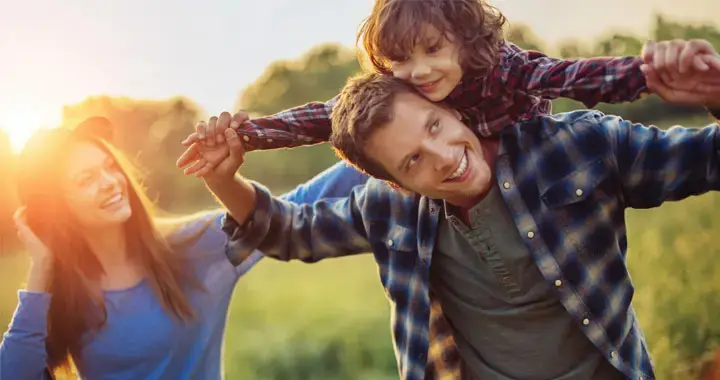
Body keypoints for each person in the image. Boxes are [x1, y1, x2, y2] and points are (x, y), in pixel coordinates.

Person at [178, 43, 720, 379]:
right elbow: (291, 232)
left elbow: (706, 159)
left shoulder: (575, 148)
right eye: (413, 160)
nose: (445, 158)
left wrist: (712, 91)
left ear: (452, 107)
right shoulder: (389, 208)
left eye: (436, 126)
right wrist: (223, 179)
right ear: (393, 180)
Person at [0, 117, 369, 379]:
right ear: (57, 209)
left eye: (109, 167)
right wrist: (41, 266)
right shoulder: (60, 293)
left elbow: (300, 203)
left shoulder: (195, 246)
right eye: (86, 179)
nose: (111, 182)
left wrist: (389, 137)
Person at [181, 0, 720, 168]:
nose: (419, 72)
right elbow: (325, 116)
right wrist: (248, 132)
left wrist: (647, 72)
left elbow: (567, 75)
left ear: (463, 39)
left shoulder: (504, 67)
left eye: (433, 50)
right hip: (456, 187)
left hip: (528, 171)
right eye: (400, 60)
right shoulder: (406, 89)